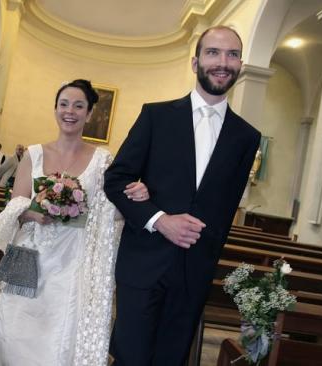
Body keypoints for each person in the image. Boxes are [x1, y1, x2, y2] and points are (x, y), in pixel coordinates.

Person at [104, 26, 261, 365]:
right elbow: (116, 179)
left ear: (241, 65)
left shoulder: (247, 137)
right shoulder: (156, 116)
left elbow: (225, 209)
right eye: (214, 52)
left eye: (232, 54)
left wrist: (205, 263)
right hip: (144, 263)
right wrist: (159, 219)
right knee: (130, 358)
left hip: (194, 271)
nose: (223, 62)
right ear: (195, 62)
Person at [0, 79, 150, 366]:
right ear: (55, 109)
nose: (70, 111)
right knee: (15, 335)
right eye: (64, 104)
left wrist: (138, 194)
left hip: (74, 265)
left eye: (79, 106)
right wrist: (32, 212)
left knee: (59, 342)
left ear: (89, 114)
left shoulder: (103, 160)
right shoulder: (33, 154)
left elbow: (113, 211)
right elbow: (15, 205)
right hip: (30, 256)